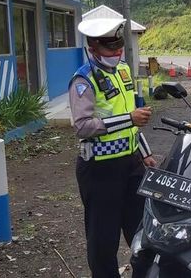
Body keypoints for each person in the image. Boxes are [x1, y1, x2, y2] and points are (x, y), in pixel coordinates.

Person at [69, 17, 157, 278]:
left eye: (119, 46)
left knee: (142, 233)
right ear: (93, 47)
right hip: (99, 170)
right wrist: (129, 119)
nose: (117, 52)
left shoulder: (123, 71)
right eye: (110, 48)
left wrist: (144, 152)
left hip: (131, 165)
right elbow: (82, 126)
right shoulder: (82, 81)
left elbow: (132, 119)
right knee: (103, 241)